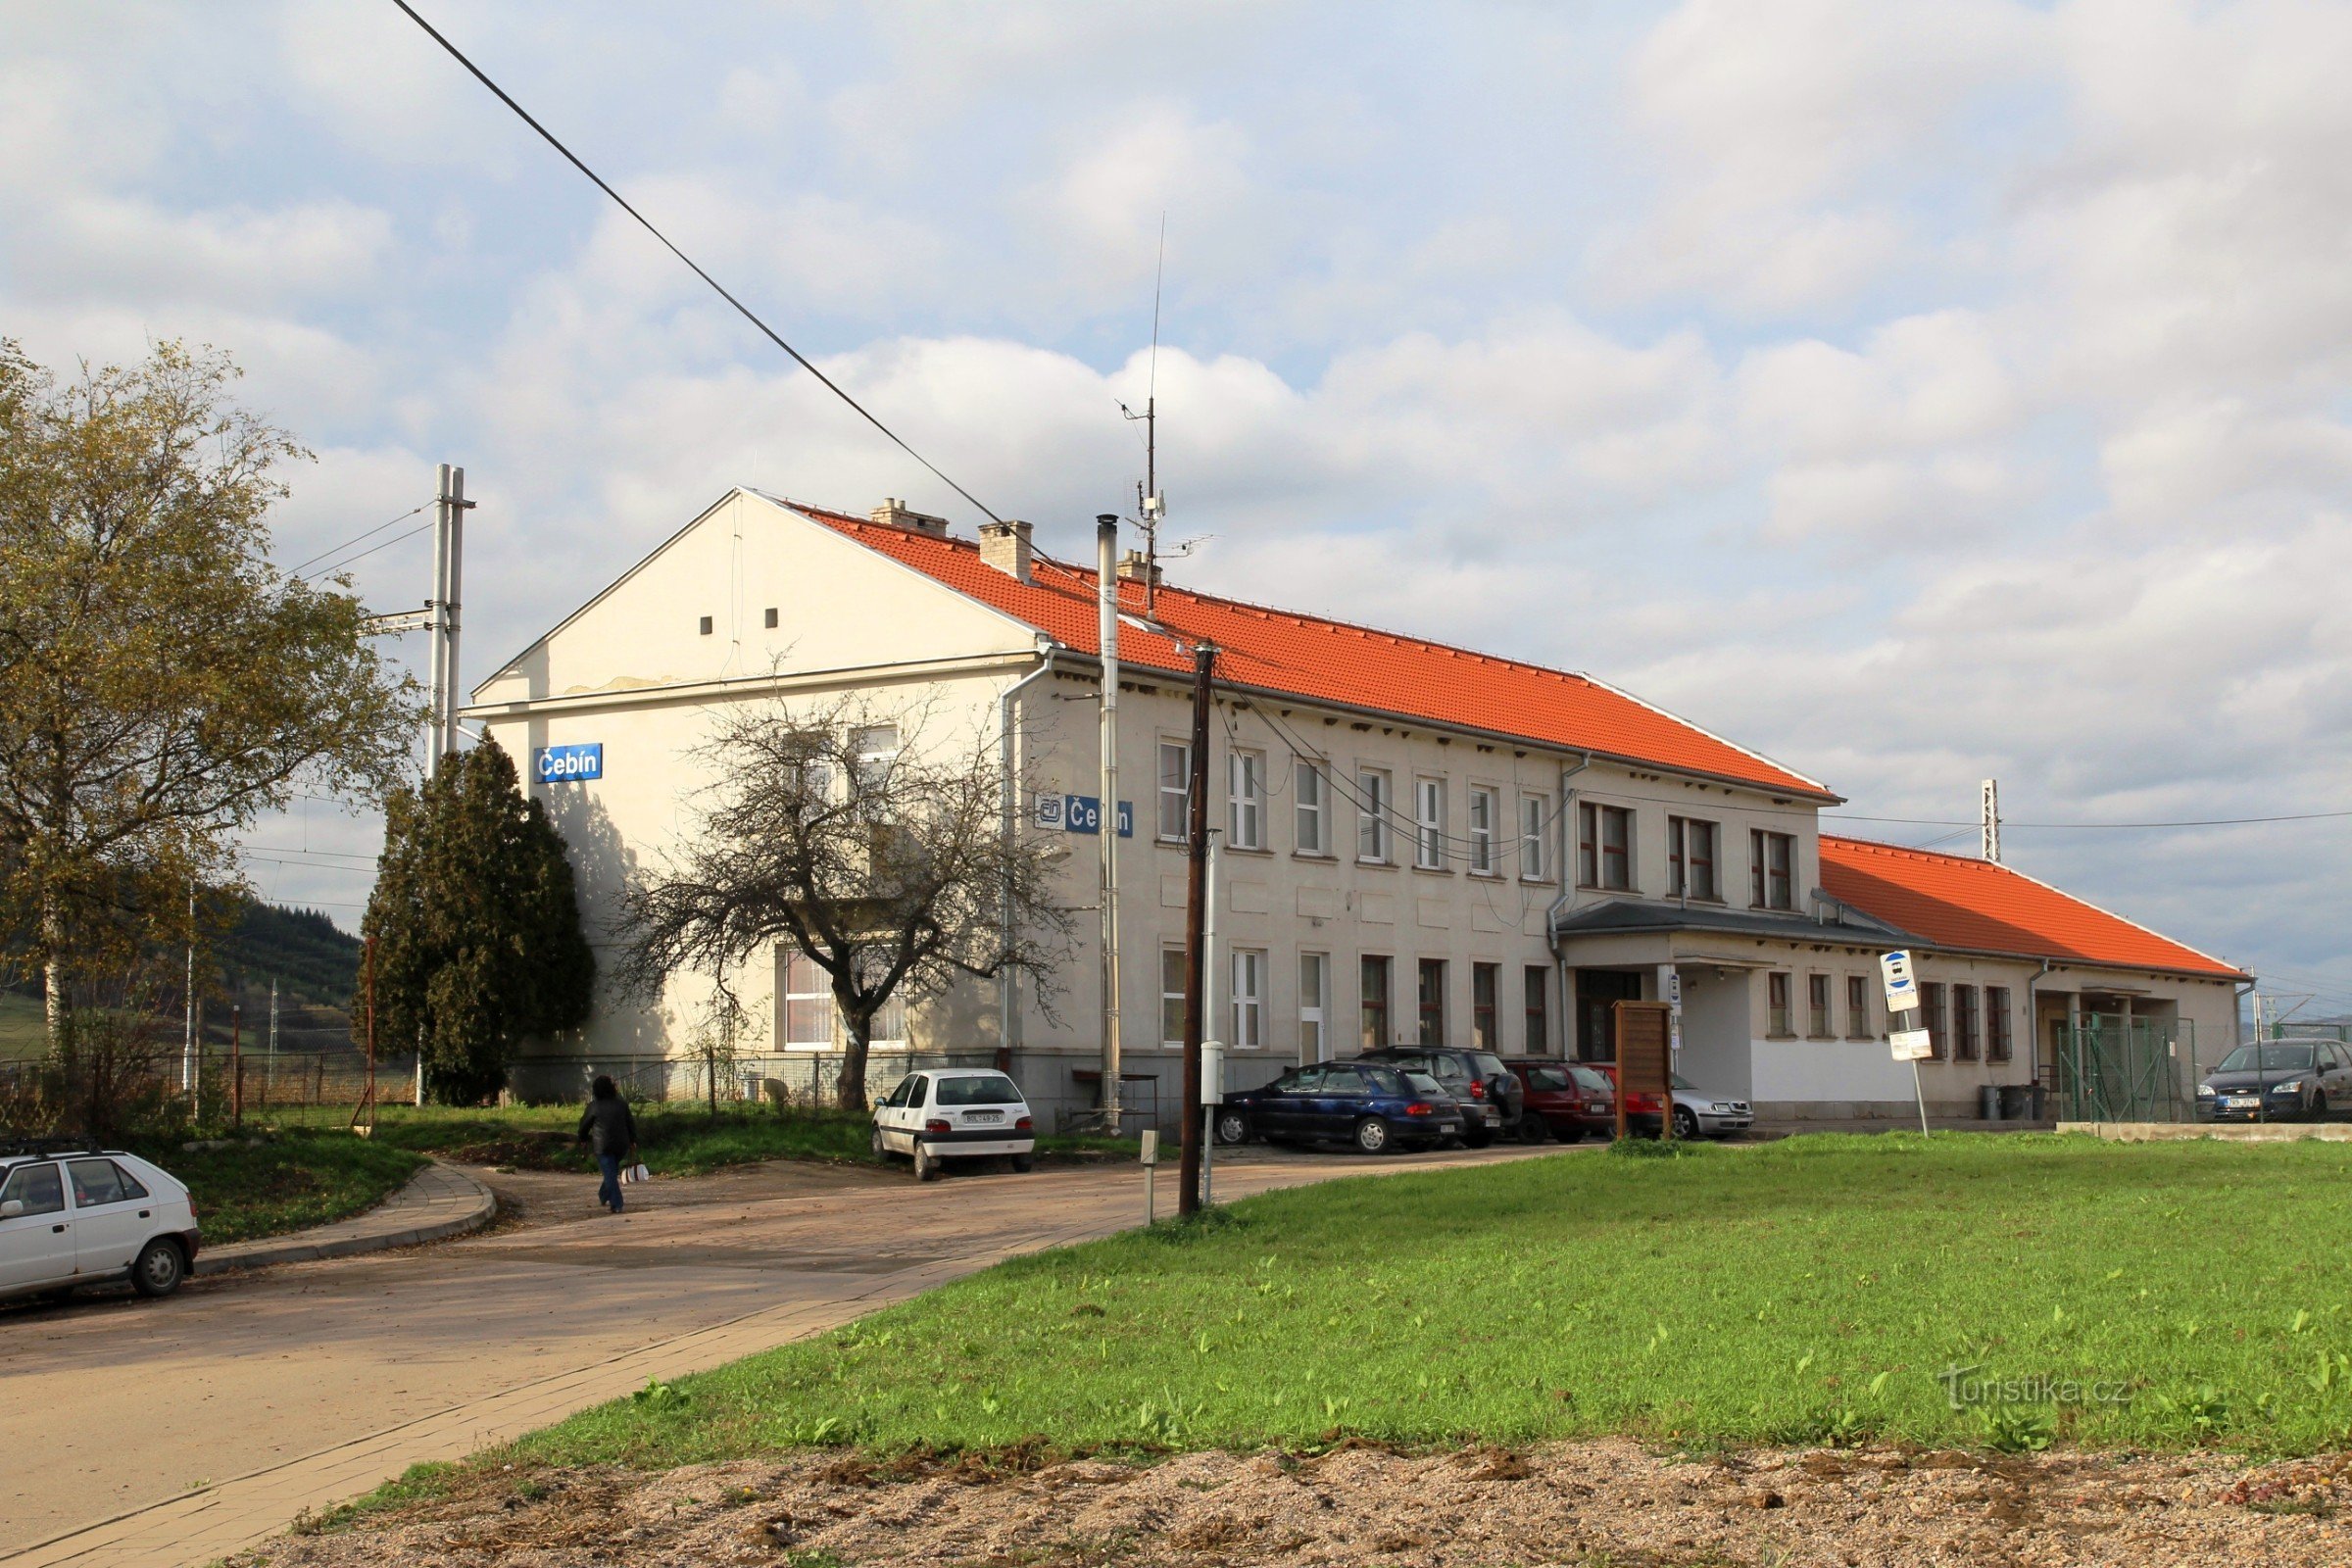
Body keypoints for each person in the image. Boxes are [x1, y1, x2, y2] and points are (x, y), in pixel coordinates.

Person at [577, 1074, 639, 1213]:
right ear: (612, 1088)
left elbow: (584, 1125)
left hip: (602, 1146)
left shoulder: (594, 1106)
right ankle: (603, 1195)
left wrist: (582, 1139)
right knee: (611, 1172)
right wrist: (633, 1140)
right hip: (621, 1145)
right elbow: (630, 1123)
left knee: (610, 1173)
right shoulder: (622, 1104)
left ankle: (617, 1204)